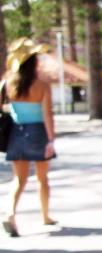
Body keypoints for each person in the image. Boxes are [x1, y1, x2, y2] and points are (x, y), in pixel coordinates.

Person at [2, 38, 57, 237]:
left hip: (16, 133)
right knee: (42, 179)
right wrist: (51, 139)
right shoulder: (42, 86)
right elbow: (47, 114)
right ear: (33, 62)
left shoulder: (9, 83)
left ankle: (10, 213)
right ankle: (45, 216)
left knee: (19, 179)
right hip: (38, 132)